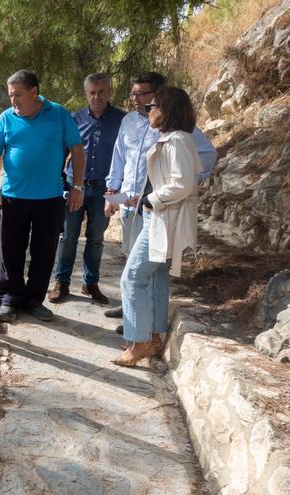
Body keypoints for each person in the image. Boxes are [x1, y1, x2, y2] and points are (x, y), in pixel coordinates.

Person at [104, 72, 217, 321]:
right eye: (133, 93)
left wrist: (187, 182)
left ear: (157, 95)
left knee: (148, 270)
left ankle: (141, 323)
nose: (136, 99)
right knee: (131, 258)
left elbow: (207, 154)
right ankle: (131, 311)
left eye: (142, 94)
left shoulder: (175, 128)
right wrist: (112, 189)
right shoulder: (129, 121)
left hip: (157, 207)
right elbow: (120, 155)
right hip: (129, 202)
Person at [0, 69, 86, 323]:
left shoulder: (58, 113)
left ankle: (34, 300)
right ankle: (9, 298)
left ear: (34, 92)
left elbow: (77, 149)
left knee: (44, 251)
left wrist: (78, 186)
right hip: (13, 198)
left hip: (49, 199)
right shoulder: (6, 118)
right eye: (10, 95)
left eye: (18, 94)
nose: (13, 101)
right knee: (11, 251)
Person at [111, 86, 201, 366]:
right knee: (156, 278)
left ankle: (137, 345)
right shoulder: (176, 139)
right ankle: (154, 337)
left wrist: (152, 199)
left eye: (154, 106)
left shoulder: (176, 141)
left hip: (162, 219)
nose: (149, 111)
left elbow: (183, 183)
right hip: (162, 216)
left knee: (133, 277)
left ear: (167, 111)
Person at [48, 73, 126, 305]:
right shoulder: (74, 119)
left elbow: (126, 158)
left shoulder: (123, 120)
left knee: (96, 239)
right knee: (68, 236)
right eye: (92, 92)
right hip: (75, 188)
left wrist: (117, 193)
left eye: (101, 91)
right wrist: (64, 186)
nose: (97, 96)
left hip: (105, 190)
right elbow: (60, 155)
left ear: (109, 92)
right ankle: (61, 282)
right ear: (86, 94)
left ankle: (90, 283)